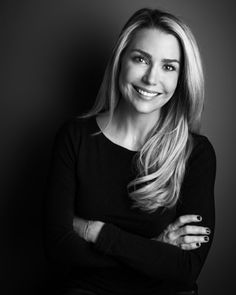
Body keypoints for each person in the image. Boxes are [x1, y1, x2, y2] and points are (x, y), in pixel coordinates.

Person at [44, 7, 216, 295]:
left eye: (168, 66)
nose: (151, 78)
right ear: (120, 61)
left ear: (181, 78)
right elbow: (58, 248)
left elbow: (186, 268)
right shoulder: (75, 137)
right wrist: (153, 251)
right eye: (141, 59)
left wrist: (94, 231)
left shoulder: (195, 153)